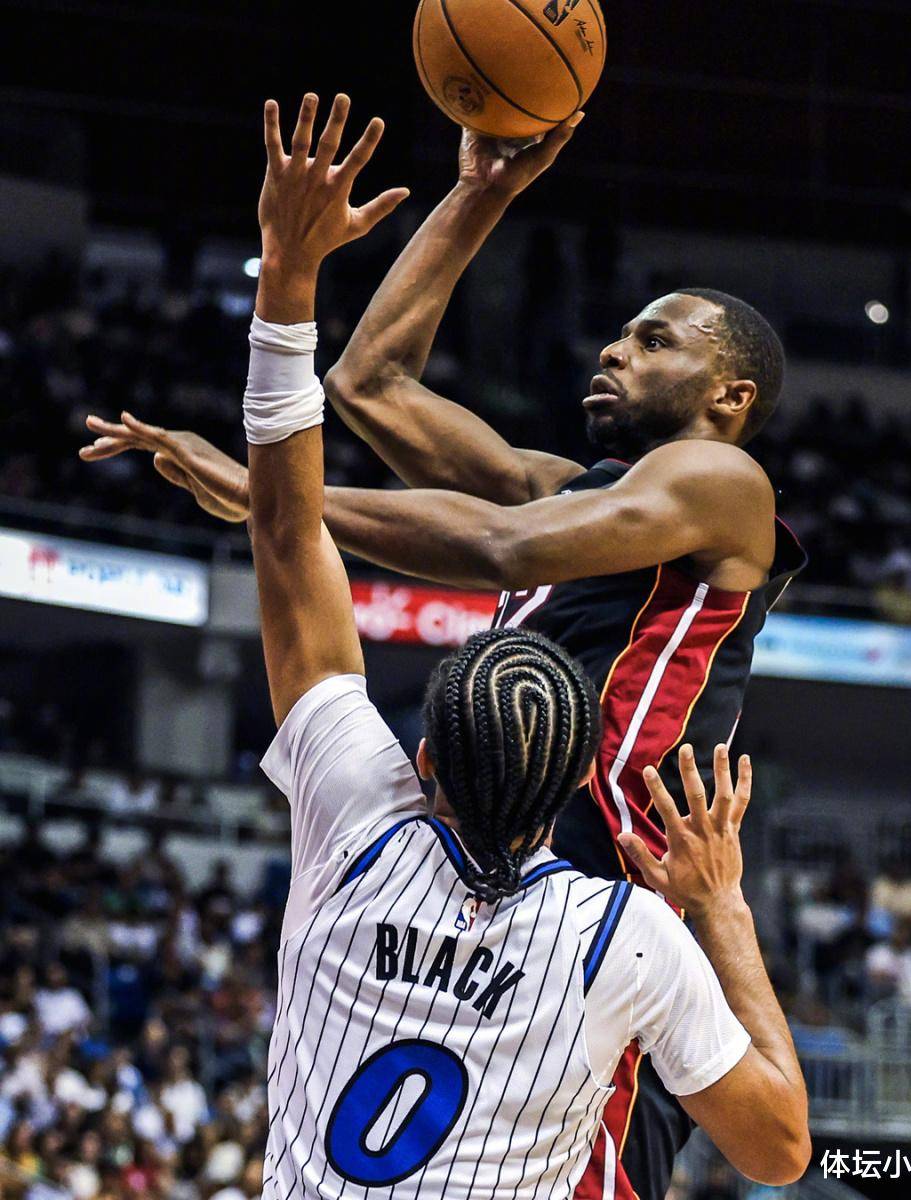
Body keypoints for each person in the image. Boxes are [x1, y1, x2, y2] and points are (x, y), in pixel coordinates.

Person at [80, 112, 807, 1200]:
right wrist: (481, 192)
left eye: (657, 340)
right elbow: (369, 384)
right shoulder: (579, 491)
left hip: (607, 889)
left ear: (729, 398)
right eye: (623, 333)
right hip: (505, 871)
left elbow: (493, 547)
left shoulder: (721, 484)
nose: (614, 348)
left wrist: (267, 492)